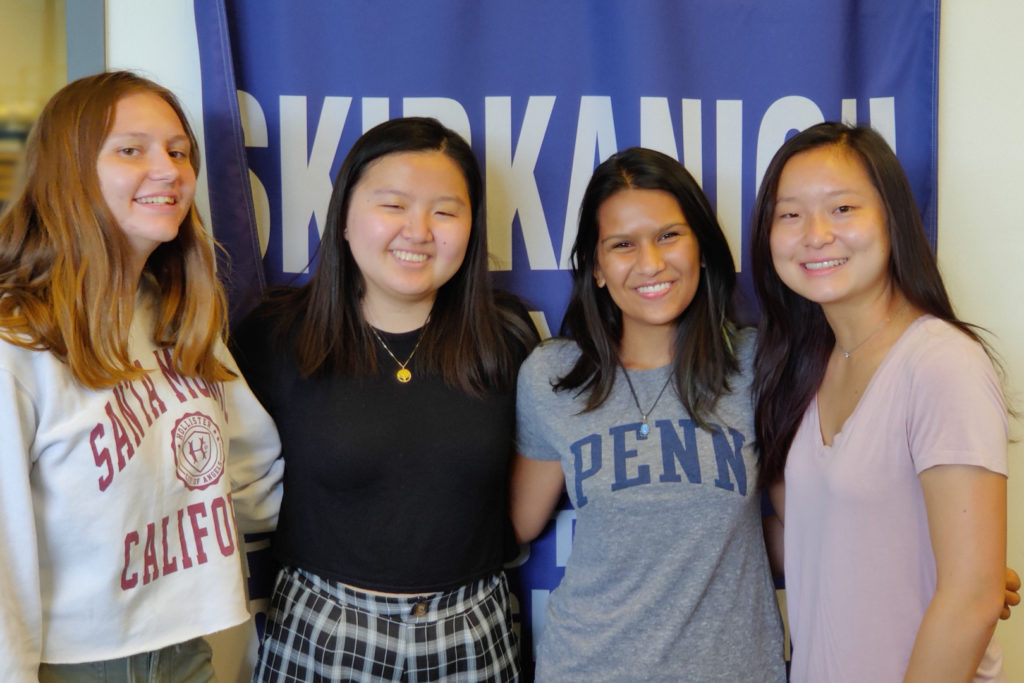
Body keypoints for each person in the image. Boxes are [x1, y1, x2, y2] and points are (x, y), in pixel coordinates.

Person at [232, 117, 538, 682]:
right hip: (322, 627)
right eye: (393, 206)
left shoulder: (507, 337)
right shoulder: (275, 336)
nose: (419, 231)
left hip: (472, 628)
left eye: (445, 211)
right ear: (344, 218)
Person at [0, 71, 283, 681]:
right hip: (73, 664)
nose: (170, 170)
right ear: (69, 169)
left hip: (188, 649)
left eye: (179, 151)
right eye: (132, 149)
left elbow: (256, 483)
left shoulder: (178, 317)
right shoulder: (14, 342)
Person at [511, 147, 786, 681]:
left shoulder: (757, 367)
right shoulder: (552, 377)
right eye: (622, 245)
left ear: (702, 248)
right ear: (595, 267)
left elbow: (809, 529)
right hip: (587, 667)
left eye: (668, 236)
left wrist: (934, 566)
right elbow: (515, 524)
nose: (651, 263)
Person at [751, 122, 1008, 681]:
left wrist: (979, 577)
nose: (815, 234)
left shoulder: (941, 364)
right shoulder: (805, 367)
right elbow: (820, 539)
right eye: (789, 214)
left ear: (892, 218)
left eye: (842, 208)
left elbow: (973, 599)